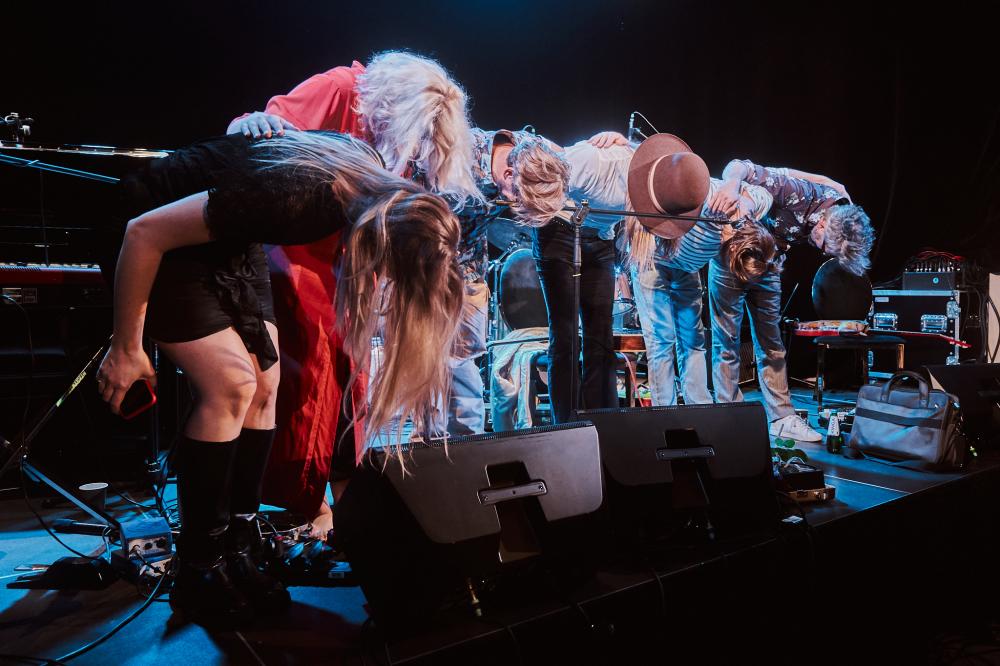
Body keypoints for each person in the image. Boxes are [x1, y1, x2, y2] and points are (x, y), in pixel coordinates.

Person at [96, 131, 464, 627]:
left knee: (267, 384)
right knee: (231, 386)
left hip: (228, 239)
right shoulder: (300, 198)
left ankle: (238, 547)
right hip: (149, 230)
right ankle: (198, 567)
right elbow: (144, 233)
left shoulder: (364, 175)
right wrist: (126, 346)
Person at [227, 51, 482, 538]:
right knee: (307, 378)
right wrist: (251, 123)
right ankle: (303, 505)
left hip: (351, 266)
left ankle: (345, 505)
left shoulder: (402, 135)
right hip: (299, 256)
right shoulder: (341, 88)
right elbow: (261, 131)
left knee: (351, 383)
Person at [706, 159, 875, 441]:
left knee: (772, 343)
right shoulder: (795, 193)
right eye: (825, 246)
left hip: (769, 261)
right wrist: (732, 185)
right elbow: (739, 165)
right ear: (823, 223)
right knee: (727, 340)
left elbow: (828, 183)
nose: (823, 251)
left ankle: (782, 418)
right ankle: (730, 416)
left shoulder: (842, 206)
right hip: (731, 254)